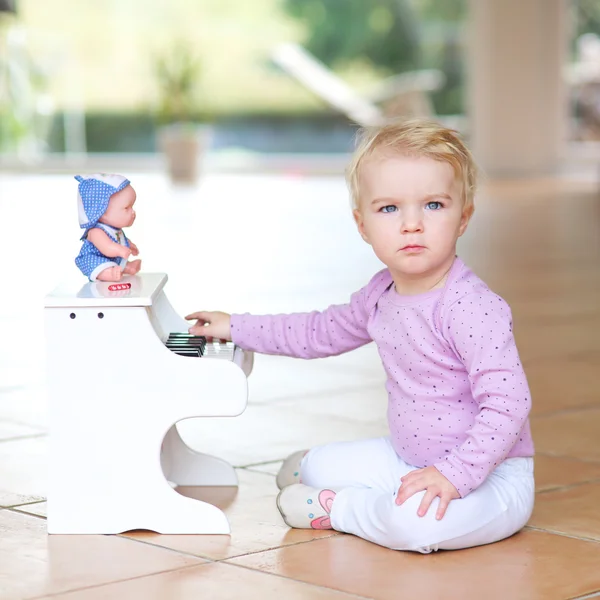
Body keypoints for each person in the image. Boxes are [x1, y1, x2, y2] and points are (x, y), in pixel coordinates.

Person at [185, 118, 535, 553]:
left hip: (491, 475)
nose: (411, 224)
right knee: (321, 466)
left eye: (433, 205)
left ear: (463, 217)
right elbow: (316, 331)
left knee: (418, 528)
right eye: (389, 208)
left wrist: (454, 474)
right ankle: (316, 471)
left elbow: (509, 403)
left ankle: (339, 508)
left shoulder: (471, 307)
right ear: (362, 224)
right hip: (407, 459)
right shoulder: (380, 295)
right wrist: (235, 326)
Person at [74, 173, 141, 282]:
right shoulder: (96, 232)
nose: (133, 212)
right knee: (102, 266)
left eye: (132, 207)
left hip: (112, 258)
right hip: (94, 259)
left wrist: (129, 245)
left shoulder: (115, 229)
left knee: (117, 263)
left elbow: (119, 240)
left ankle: (127, 267)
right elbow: (107, 247)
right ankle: (109, 274)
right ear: (102, 211)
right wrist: (120, 250)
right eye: (127, 208)